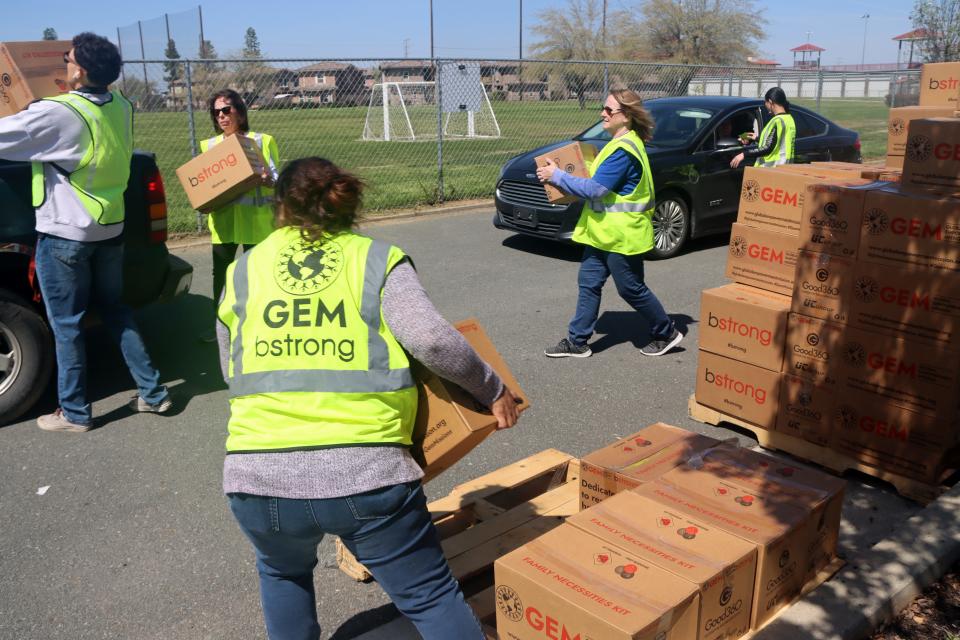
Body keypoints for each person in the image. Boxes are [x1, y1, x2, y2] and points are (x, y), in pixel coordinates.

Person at [217, 156, 522, 640]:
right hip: (363, 476)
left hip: (258, 477)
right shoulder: (376, 259)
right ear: (346, 203)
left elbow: (230, 367)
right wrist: (492, 389)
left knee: (282, 573)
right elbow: (433, 341)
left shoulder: (242, 271)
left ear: (279, 211)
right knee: (430, 597)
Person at [0, 32, 170, 432]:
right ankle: (154, 393)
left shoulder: (58, 112)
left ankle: (75, 413)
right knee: (116, 311)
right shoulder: (122, 106)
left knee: (67, 324)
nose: (65, 63)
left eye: (68, 58)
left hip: (66, 237)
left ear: (81, 70)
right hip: (109, 230)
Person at [537, 89, 682, 359]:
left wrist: (557, 175)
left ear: (626, 116)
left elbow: (595, 190)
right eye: (603, 108)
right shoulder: (622, 143)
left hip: (622, 236)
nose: (602, 113)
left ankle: (666, 332)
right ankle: (577, 341)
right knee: (589, 281)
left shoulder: (623, 151)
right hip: (604, 234)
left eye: (609, 110)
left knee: (631, 288)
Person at [201, 89, 279, 341]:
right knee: (222, 275)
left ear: (240, 113)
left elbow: (277, 180)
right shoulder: (210, 146)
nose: (221, 116)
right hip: (224, 224)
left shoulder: (262, 141)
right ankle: (220, 327)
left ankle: (259, 325)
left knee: (257, 275)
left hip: (256, 222)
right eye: (216, 113)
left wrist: (268, 180)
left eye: (226, 110)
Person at [731, 87, 796, 169]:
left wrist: (744, 154)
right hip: (784, 166)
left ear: (770, 102)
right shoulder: (789, 119)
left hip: (772, 168)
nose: (765, 105)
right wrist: (757, 138)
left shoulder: (777, 121)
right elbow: (778, 142)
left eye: (765, 102)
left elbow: (768, 148)